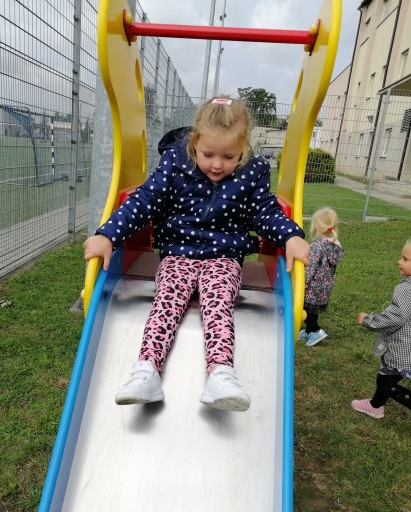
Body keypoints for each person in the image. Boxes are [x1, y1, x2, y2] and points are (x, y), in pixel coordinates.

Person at [84, 95, 310, 412]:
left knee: (218, 302)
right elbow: (145, 200)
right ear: (194, 142)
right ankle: (146, 370)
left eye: (229, 156)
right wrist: (108, 234)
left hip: (223, 257)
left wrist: (291, 236)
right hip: (178, 253)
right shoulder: (175, 163)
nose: (217, 164)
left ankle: (221, 374)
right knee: (167, 299)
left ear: (244, 147)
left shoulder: (253, 172)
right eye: (208, 154)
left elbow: (265, 212)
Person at [351, 239, 411, 419]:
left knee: (386, 382)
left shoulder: (405, 290)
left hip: (400, 350)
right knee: (387, 377)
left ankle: (376, 405)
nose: (399, 262)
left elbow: (396, 317)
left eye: (405, 259)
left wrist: (368, 320)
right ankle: (375, 406)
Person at [297, 207, 343, 346]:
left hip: (313, 286)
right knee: (313, 310)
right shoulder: (336, 244)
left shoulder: (317, 246)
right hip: (325, 286)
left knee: (304, 309)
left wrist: (302, 282)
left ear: (316, 227)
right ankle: (308, 331)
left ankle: (316, 330)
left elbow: (311, 268)